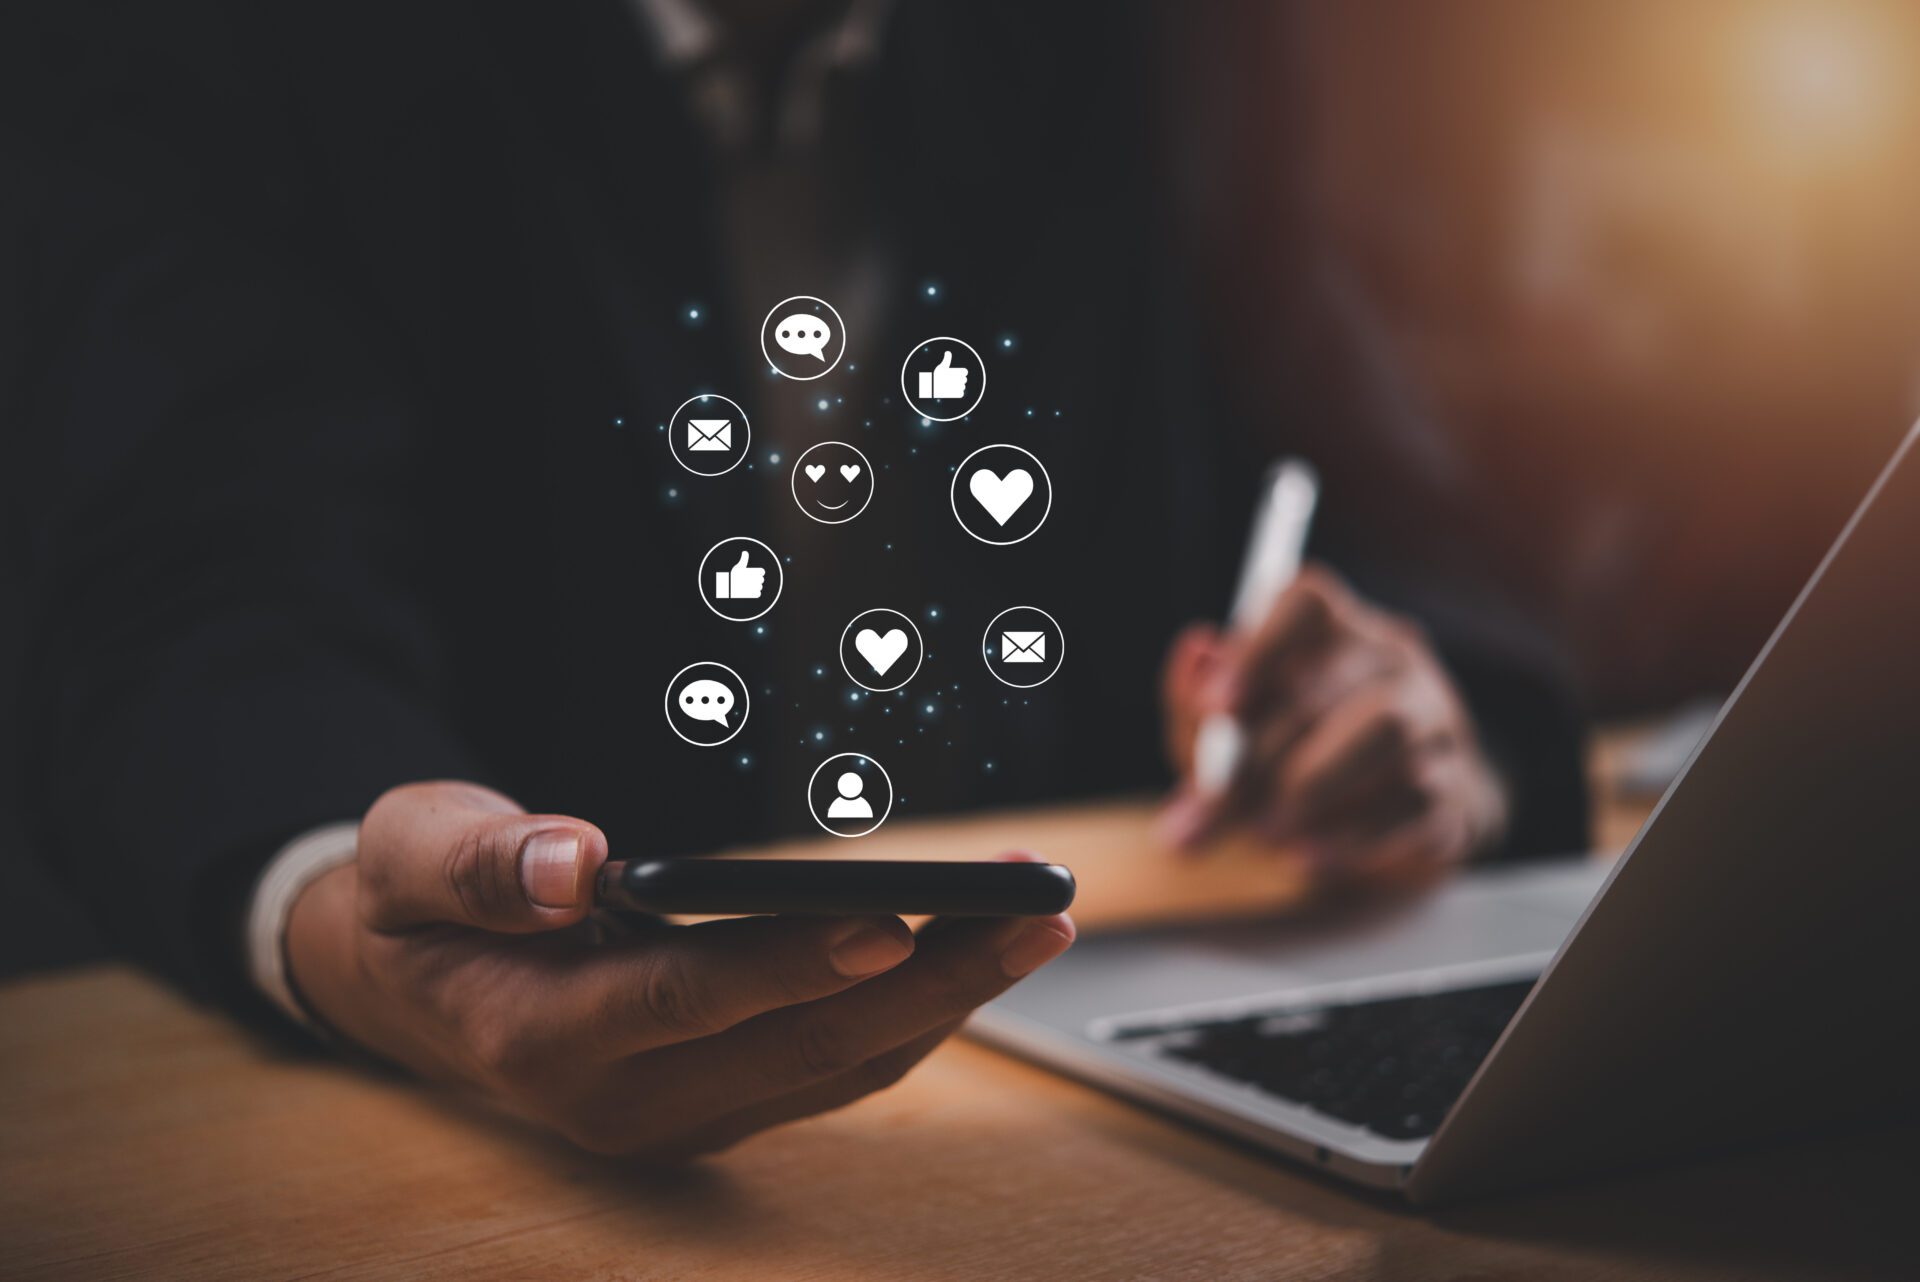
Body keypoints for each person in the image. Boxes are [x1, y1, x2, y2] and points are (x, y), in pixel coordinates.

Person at [8, 0, 1586, 1157]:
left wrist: (1419, 717)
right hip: (472, 1148)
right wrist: (352, 921)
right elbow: (191, 597)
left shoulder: (1161, 40)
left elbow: (1365, 464)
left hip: (1100, 1072)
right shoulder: (227, 46)